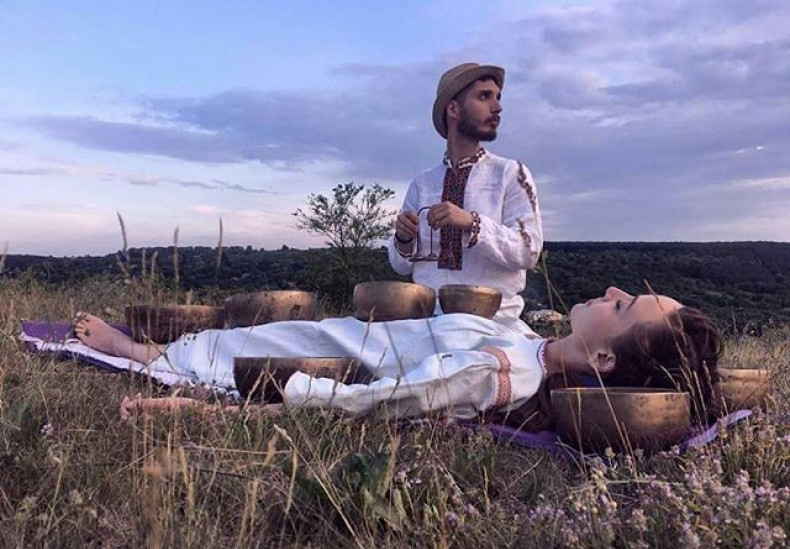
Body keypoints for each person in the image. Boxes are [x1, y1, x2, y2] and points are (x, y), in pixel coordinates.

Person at [72, 287, 723, 427]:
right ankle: (154, 350)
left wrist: (212, 416)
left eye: (623, 305)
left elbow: (376, 402)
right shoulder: (523, 336)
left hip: (330, 359)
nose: (611, 291)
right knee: (265, 331)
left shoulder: (498, 374)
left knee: (223, 353)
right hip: (342, 333)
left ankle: (143, 354)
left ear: (603, 359)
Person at [389, 62, 543, 331]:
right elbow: (400, 266)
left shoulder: (510, 174)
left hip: (493, 325)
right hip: (425, 322)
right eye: (484, 96)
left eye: (498, 97)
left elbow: (528, 251)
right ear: (453, 109)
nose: (497, 107)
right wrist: (403, 239)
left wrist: (473, 223)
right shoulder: (422, 184)